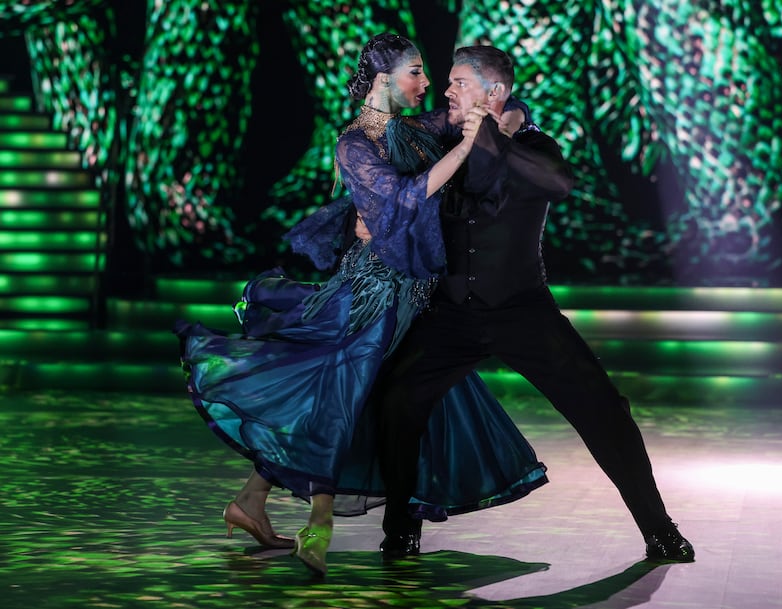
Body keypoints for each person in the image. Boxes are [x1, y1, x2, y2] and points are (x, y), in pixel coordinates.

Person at [175, 33, 549, 577]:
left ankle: (253, 502)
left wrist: (505, 124)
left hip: (417, 293)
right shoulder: (353, 144)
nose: (431, 86)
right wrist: (469, 147)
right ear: (383, 80)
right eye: (417, 73)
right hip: (374, 290)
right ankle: (318, 525)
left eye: (432, 75)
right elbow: (399, 201)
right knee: (345, 393)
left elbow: (505, 103)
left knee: (364, 397)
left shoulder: (419, 128)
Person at [375, 44, 695, 564]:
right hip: (453, 314)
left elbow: (559, 183)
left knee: (604, 411)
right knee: (396, 401)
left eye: (460, 82)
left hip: (522, 309)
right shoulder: (440, 143)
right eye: (449, 82)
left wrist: (497, 132)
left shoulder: (535, 145)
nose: (447, 90)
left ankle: (658, 528)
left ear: (493, 93)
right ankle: (400, 528)